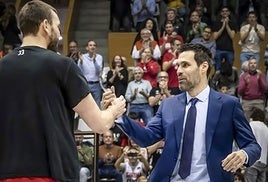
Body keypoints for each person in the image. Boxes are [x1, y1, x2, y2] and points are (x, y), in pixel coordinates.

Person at [0, 1, 126, 182]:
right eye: (57, 27)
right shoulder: (62, 65)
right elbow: (99, 124)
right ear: (45, 25)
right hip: (50, 172)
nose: (59, 34)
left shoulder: (2, 67)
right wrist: (114, 109)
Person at [104, 43, 261, 181]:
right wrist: (118, 114)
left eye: (185, 65)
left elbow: (252, 146)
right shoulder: (168, 105)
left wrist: (243, 154)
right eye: (177, 65)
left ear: (203, 67)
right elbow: (146, 138)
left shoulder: (229, 105)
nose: (178, 70)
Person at [244, 107, 268, 182]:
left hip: (253, 160)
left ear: (252, 117)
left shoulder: (251, 125)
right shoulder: (266, 128)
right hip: (264, 162)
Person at [78, 40, 104, 108]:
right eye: (90, 45)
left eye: (94, 45)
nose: (92, 47)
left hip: (96, 84)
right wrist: (80, 62)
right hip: (86, 84)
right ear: (87, 48)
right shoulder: (82, 57)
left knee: (97, 105)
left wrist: (95, 61)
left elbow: (99, 71)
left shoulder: (99, 57)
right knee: (86, 105)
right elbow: (79, 71)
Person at [212, 6, 237, 71]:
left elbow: (232, 36)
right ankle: (217, 81)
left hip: (229, 49)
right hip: (218, 49)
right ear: (221, 13)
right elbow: (215, 36)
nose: (224, 12)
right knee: (217, 69)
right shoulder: (216, 23)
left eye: (226, 11)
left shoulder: (233, 23)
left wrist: (227, 25)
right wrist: (223, 25)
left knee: (229, 69)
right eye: (223, 11)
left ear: (229, 13)